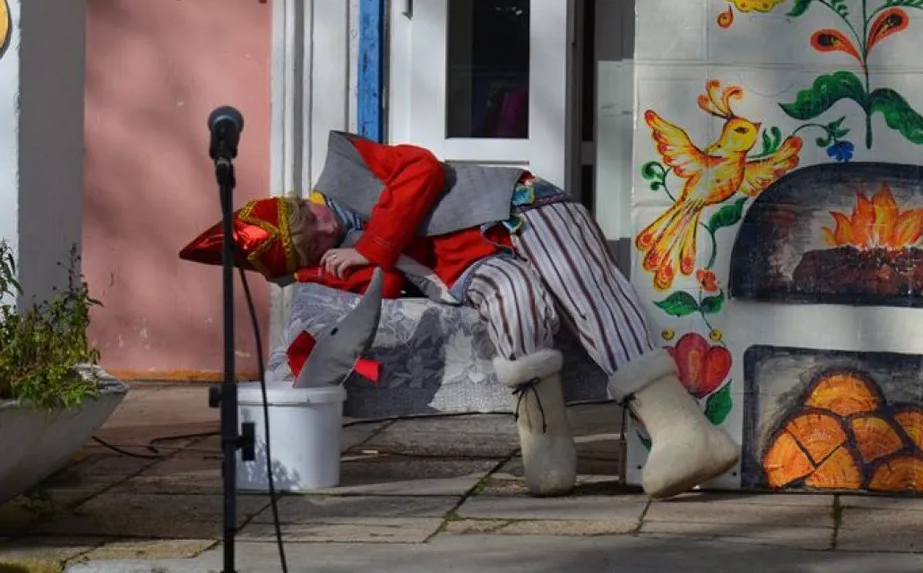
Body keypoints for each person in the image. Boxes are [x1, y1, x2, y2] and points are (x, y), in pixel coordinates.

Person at [181, 130, 739, 499]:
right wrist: (328, 269)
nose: (323, 226)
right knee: (513, 301)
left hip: (521, 211)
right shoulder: (335, 255)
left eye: (308, 215)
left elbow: (420, 169)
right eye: (312, 241)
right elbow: (390, 282)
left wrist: (369, 245)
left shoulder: (348, 164)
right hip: (473, 267)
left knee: (583, 290)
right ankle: (547, 451)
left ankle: (684, 432)